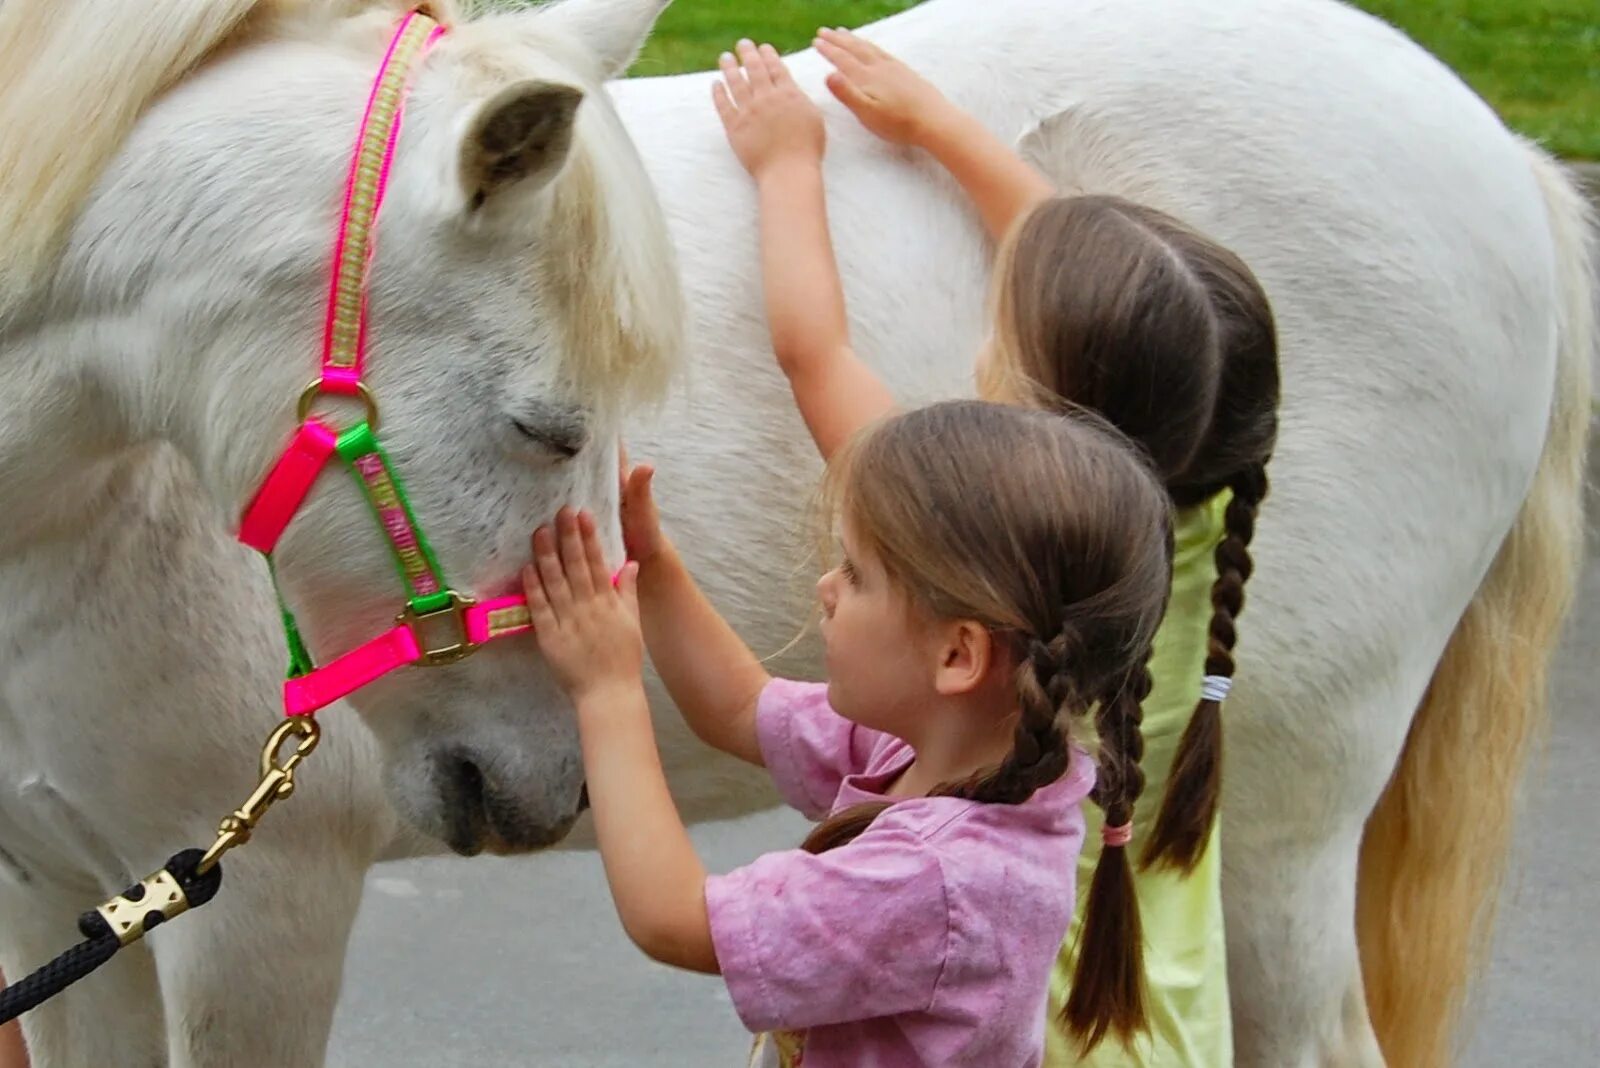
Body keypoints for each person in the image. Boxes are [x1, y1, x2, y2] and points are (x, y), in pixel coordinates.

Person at [711, 31, 1280, 1063]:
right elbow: (1116, 311)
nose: (984, 339)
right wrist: (943, 128)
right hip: (1168, 1027)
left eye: (997, 333)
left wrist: (786, 164)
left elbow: (814, 351)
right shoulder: (1193, 506)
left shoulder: (992, 530)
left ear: (1041, 404)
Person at [522, 400, 1174, 1066]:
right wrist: (652, 563)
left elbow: (675, 921)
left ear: (958, 655)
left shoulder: (939, 882)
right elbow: (742, 709)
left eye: (857, 573)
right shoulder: (954, 754)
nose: (827, 586)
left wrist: (606, 691)